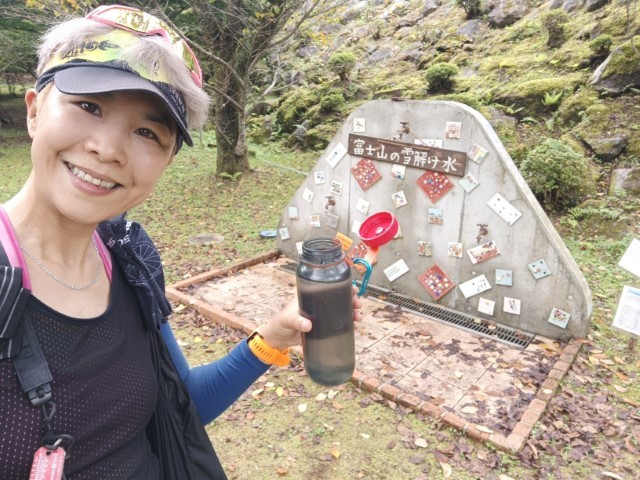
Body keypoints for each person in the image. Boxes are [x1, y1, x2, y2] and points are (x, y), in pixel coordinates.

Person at [0, 5, 362, 479]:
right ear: (34, 110)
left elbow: (179, 405)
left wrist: (272, 338)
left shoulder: (127, 254)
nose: (108, 149)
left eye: (147, 131)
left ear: (166, 161)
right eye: (89, 106)